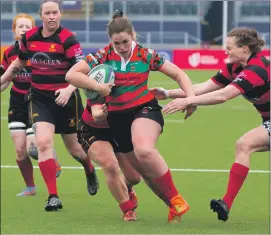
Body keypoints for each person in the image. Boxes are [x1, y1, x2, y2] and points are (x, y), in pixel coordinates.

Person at [65, 10, 196, 222]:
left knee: (144, 149)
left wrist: (190, 99)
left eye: (125, 41)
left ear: (133, 35)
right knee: (137, 175)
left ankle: (175, 199)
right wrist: (99, 87)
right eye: (117, 44)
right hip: (117, 121)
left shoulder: (146, 54)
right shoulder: (102, 56)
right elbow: (71, 75)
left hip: (143, 109)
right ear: (111, 41)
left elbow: (178, 73)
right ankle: (161, 203)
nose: (122, 47)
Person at [152, 27, 270, 222]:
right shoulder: (234, 67)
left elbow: (223, 95)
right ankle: (226, 204)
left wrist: (188, 102)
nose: (226, 52)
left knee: (244, 144)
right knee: (244, 145)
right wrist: (168, 93)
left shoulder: (256, 68)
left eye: (229, 48)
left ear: (245, 49)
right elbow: (203, 88)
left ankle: (226, 203)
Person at [0, 0, 102, 211]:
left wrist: (67, 90)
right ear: (41, 15)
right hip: (39, 99)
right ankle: (53, 196)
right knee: (44, 144)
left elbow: (80, 72)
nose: (51, 16)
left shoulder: (68, 39)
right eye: (47, 13)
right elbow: (18, 64)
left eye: (55, 12)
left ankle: (89, 168)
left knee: (75, 150)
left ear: (60, 14)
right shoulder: (29, 38)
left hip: (66, 99)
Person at [0, 13, 62, 197]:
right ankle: (30, 187)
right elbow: (4, 81)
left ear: (34, 29)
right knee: (20, 151)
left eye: (28, 27)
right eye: (20, 27)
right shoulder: (9, 54)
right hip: (17, 102)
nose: (24, 30)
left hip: (37, 101)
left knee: (33, 148)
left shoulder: (39, 51)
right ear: (14, 30)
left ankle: (51, 157)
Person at [75, 97, 141, 221]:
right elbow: (96, 114)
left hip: (119, 130)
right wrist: (103, 112)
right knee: (110, 165)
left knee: (134, 177)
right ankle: (127, 209)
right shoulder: (99, 80)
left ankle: (127, 189)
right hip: (93, 130)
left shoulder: (126, 83)